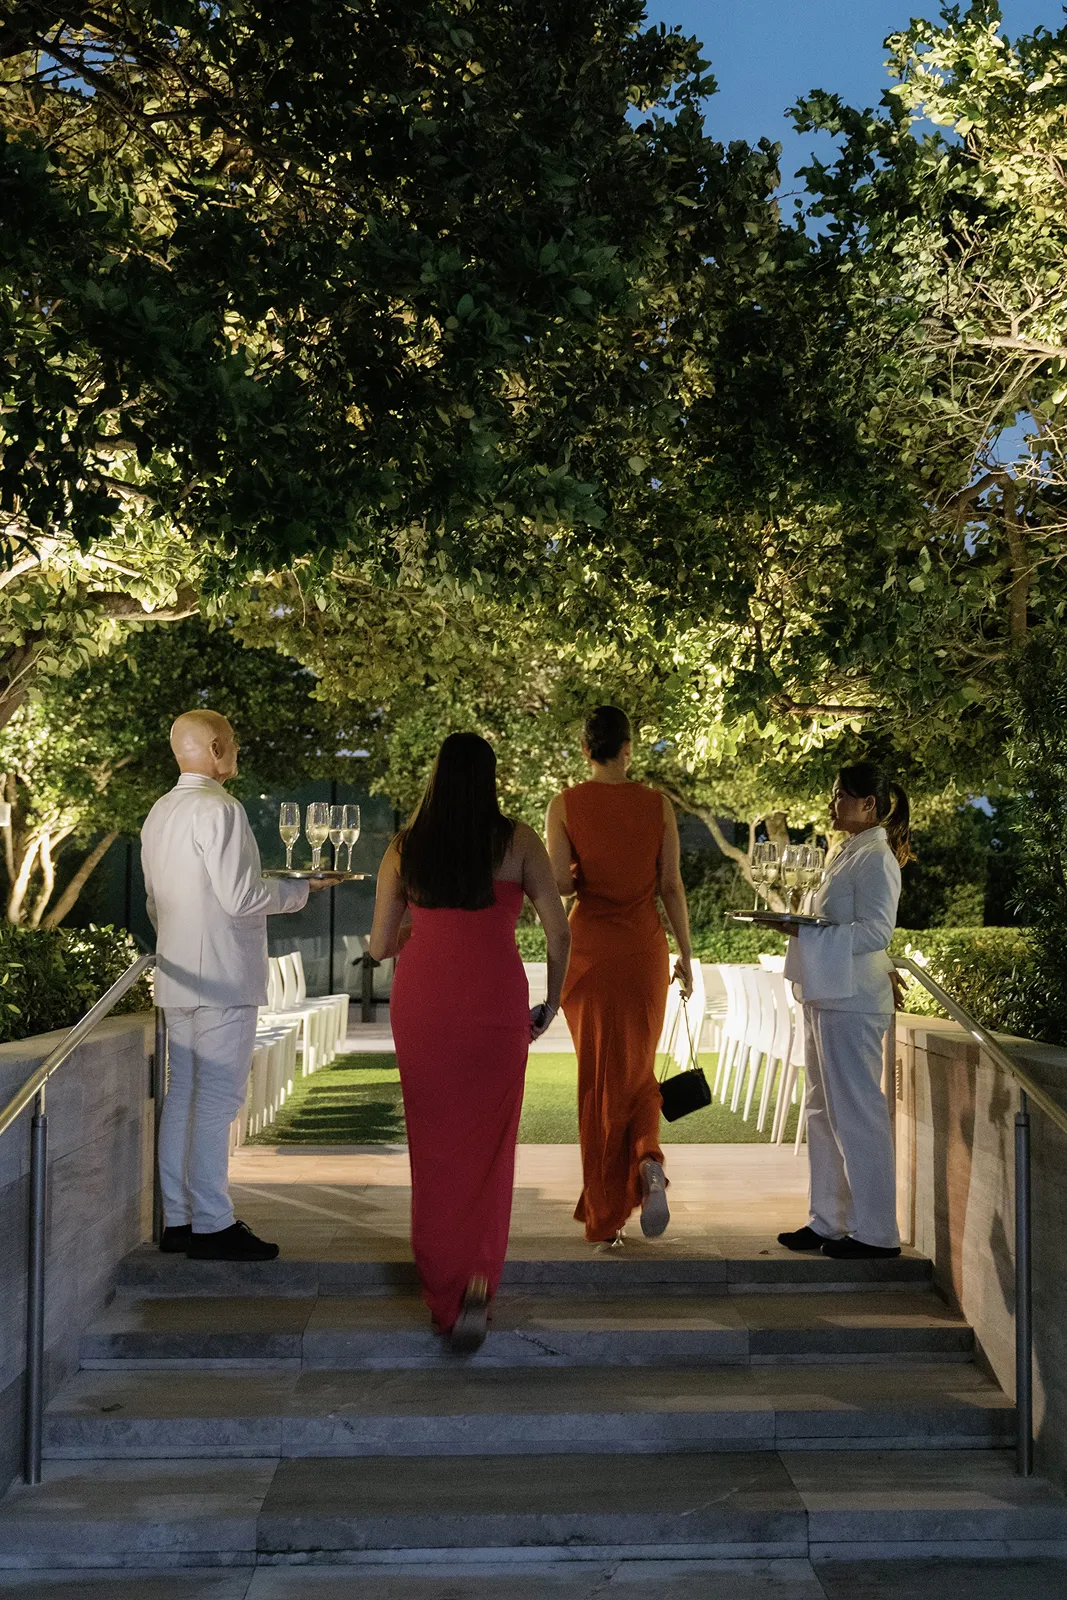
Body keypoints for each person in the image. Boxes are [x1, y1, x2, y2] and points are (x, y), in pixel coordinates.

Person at [369, 732, 570, 1353]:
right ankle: (480, 1276)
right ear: (491, 779)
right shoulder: (517, 842)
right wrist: (554, 1000)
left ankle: (444, 1293)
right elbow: (560, 933)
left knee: (433, 1151)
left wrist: (419, 931)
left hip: (425, 1003)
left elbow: (378, 946)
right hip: (494, 1004)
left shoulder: (406, 847)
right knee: (489, 1150)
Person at [141, 710, 335, 1261]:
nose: (238, 753)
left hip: (177, 974)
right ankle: (212, 1224)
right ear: (219, 746)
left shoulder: (160, 812)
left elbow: (157, 903)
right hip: (223, 977)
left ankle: (178, 1221)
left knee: (183, 1096)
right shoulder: (221, 809)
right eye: (236, 744)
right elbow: (241, 898)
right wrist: (301, 890)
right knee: (218, 1100)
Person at [546, 706, 694, 1247]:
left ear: (587, 749)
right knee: (636, 1075)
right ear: (628, 749)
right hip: (644, 956)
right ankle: (648, 1162)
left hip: (590, 960)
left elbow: (560, 884)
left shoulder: (564, 805)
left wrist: (586, 870)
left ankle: (606, 1215)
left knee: (598, 1085)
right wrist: (687, 953)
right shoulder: (657, 806)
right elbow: (671, 886)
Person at [779, 762, 912, 1261]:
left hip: (854, 1000)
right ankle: (828, 1219)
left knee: (858, 1111)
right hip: (826, 993)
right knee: (821, 1108)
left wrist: (807, 933)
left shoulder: (876, 859)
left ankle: (877, 1231)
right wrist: (804, 926)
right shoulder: (845, 853)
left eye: (840, 795)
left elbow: (878, 932)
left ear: (868, 806)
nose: (832, 803)